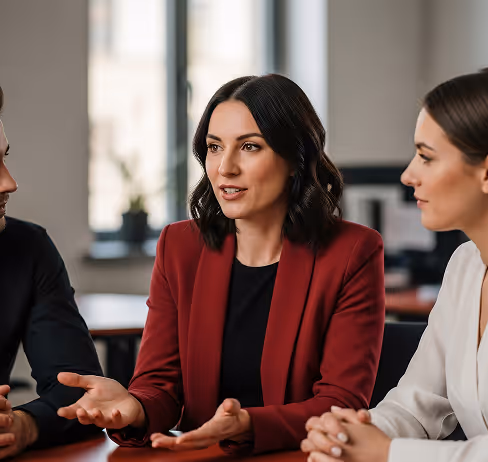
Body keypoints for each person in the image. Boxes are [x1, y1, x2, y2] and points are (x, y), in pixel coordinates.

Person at [56, 74, 385, 454]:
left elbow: (340, 403)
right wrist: (136, 407)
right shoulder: (180, 247)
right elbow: (159, 384)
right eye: (214, 147)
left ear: (296, 158)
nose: (225, 168)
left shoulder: (353, 251)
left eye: (249, 146)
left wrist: (249, 425)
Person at [302, 66, 488, 462]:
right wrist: (350, 436)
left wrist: (389, 453)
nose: (408, 175)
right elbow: (416, 403)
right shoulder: (465, 266)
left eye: (425, 157)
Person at [0, 86, 103, 459]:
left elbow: (81, 389)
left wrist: (21, 428)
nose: (9, 183)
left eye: (5, 158)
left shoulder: (28, 248)